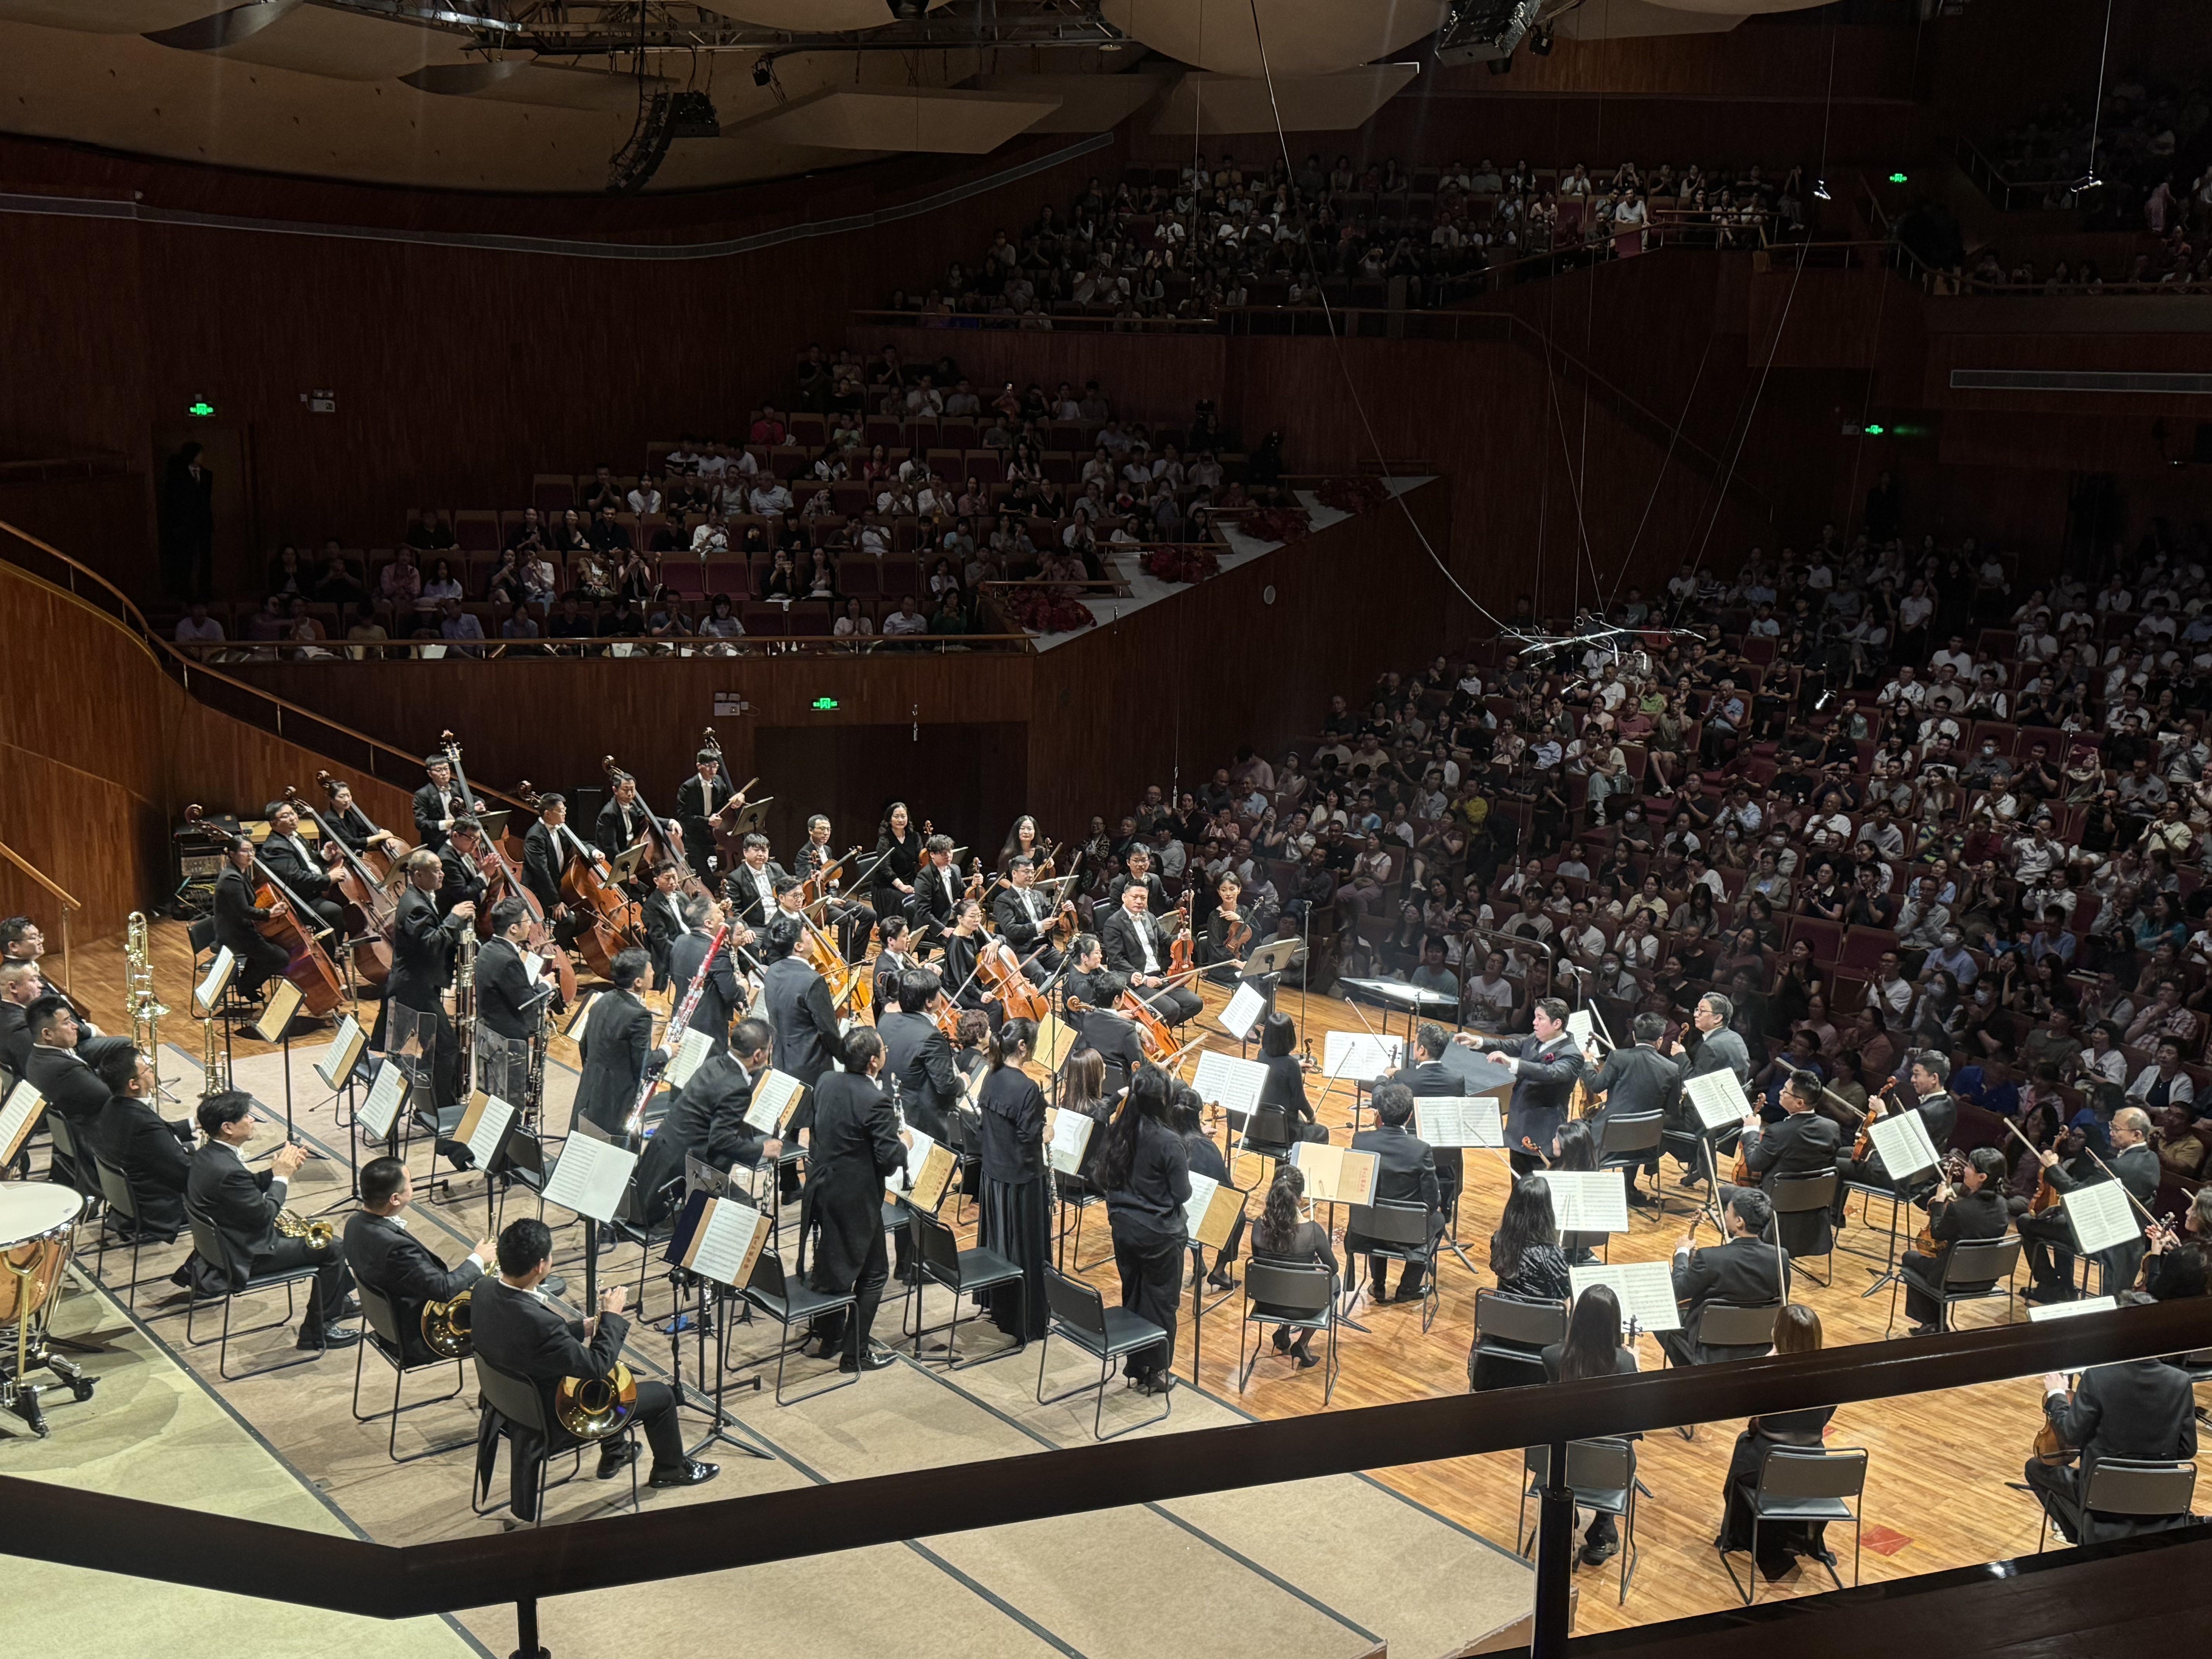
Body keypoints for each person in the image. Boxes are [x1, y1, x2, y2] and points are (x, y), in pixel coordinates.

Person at [471, 1217, 716, 1521]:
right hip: (551, 1418)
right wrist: (611, 1318)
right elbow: (598, 1367)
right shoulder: (543, 1324)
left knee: (606, 1385)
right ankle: (671, 1469)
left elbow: (525, 1335)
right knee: (661, 1396)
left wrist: (582, 1329)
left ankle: (616, 1451)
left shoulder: (482, 1289)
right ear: (540, 1267)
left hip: (507, 1406)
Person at [186, 1091, 359, 1350]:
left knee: (319, 1237)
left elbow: (244, 1187)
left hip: (225, 1243)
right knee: (332, 1246)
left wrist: (274, 1173)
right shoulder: (228, 1170)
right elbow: (266, 1214)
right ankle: (318, 1331)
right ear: (228, 1128)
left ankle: (335, 1299)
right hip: (246, 1255)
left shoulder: (208, 1155)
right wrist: (282, 1178)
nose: (252, 1120)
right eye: (246, 1116)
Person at [2025, 1307, 2198, 1544]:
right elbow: (2187, 1449)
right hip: (2158, 1497)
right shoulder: (2180, 1382)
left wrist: (2057, 1394)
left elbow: (2072, 1433)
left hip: (2102, 1494)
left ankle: (2082, 1537)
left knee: (2035, 1468)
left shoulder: (2098, 1376)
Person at [801, 1027, 906, 1373]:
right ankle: (855, 1354)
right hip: (855, 1198)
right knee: (875, 1274)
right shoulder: (875, 1100)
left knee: (834, 1262)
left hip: (823, 1187)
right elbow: (889, 1160)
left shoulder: (827, 1081)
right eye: (884, 1048)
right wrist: (904, 1144)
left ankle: (830, 1337)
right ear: (875, 1062)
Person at [1717, 1305, 1836, 1579]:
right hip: (1814, 1468)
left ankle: (1740, 1534)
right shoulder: (1833, 1373)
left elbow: (1752, 1413)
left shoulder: (1768, 1371)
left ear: (1778, 1335)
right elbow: (1824, 1417)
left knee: (1743, 1447)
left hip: (1769, 1464)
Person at [343, 1156, 495, 1366]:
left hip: (387, 1323)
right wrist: (478, 1260)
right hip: (417, 1337)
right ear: (395, 1199)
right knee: (503, 1323)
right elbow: (443, 1289)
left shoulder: (354, 1223)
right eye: (410, 1184)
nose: (412, 1188)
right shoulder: (397, 1248)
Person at [1096, 1064, 1191, 1395]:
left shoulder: (1120, 1128)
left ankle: (1136, 1365)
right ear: (1164, 1099)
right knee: (1162, 1302)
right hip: (1160, 1236)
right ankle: (1157, 1372)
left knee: (1134, 1294)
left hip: (1123, 1227)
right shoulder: (1170, 1141)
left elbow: (1104, 1176)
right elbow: (1182, 1194)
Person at [1540, 1283, 1639, 1566]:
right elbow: (1630, 1420)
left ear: (1577, 1318)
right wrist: (1637, 1367)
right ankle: (1602, 1533)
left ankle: (1564, 1524)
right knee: (1615, 1446)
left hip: (1560, 1460)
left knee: (1581, 1446)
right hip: (1608, 1466)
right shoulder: (1624, 1362)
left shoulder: (1551, 1356)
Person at [2023, 1104, 2159, 1301]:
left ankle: (2053, 1286)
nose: (2111, 1133)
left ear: (2137, 1135)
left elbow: (2078, 1193)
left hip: (2102, 1237)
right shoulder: (2152, 1159)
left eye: (2116, 1130)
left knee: (2026, 1222)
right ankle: (2063, 1287)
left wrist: (2053, 1168)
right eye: (2112, 1126)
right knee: (2063, 1218)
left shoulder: (2118, 1167)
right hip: (2130, 1239)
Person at [975, 1017, 1051, 1341]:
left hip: (994, 1179)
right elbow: (1028, 1139)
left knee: (1002, 1245)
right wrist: (1046, 1134)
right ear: (1023, 1047)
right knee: (1024, 1249)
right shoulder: (1027, 1088)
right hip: (1022, 1186)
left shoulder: (991, 1077)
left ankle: (1001, 1307)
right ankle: (1026, 1318)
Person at [386, 847, 476, 1115]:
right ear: (418, 874)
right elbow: (429, 943)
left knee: (431, 1048)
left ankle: (427, 1106)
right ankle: (443, 1110)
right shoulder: (415, 905)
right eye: (436, 870)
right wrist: (454, 919)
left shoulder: (420, 896)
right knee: (447, 1048)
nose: (442, 874)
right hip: (415, 988)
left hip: (420, 984)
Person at [1658, 1189, 1787, 1367]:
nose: (1724, 1215)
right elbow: (1780, 1298)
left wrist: (1682, 1252)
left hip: (1711, 1345)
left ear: (1740, 1221)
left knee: (1660, 1319)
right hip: (1758, 1342)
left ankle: (1690, 1372)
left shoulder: (1710, 1258)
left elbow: (1677, 1291)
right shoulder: (1781, 1257)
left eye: (1728, 1211)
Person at [1829, 1049, 1957, 1226]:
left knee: (1836, 1163)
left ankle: (1833, 1216)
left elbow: (1893, 1142)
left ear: (1934, 1078)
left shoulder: (1928, 1112)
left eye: (1917, 1075)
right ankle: (1835, 1213)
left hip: (1900, 1176)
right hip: (1917, 1172)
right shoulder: (1948, 1104)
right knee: (1844, 1152)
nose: (1912, 1080)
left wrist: (1882, 1113)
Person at [1345, 1081, 1443, 1306]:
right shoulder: (1420, 1149)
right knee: (1438, 1219)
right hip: (1406, 1232)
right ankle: (1407, 1288)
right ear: (1409, 1116)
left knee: (1374, 1210)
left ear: (1379, 1113)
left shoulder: (1361, 1140)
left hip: (1366, 1228)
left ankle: (1378, 1284)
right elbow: (1431, 1201)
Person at [1460, 995, 1583, 1173]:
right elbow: (1512, 1045)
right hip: (1518, 1127)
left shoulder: (1571, 1054)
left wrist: (1513, 1063)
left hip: (1542, 1133)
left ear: (1557, 1024)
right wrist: (1479, 1042)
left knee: (1538, 1190)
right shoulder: (1535, 1039)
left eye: (1540, 1019)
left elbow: (1552, 1073)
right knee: (1518, 1185)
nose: (1534, 1023)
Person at [1470, 1176, 1570, 1390]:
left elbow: (1500, 1269)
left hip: (1502, 1330)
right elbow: (1565, 1295)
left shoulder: (1499, 1241)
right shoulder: (1554, 1255)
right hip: (1542, 1336)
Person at [1899, 1146, 2011, 1334]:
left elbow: (1937, 1233)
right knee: (1937, 1262)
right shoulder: (2002, 1206)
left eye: (1970, 1166)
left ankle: (1932, 1324)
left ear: (1982, 1177)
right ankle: (1935, 1325)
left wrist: (1940, 1203)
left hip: (1954, 1277)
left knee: (1910, 1258)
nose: (1965, 1170)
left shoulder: (1959, 1210)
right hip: (1986, 1277)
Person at [88, 1046, 192, 1236]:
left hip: (131, 1193)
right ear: (133, 1084)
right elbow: (183, 1170)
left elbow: (159, 1134)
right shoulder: (143, 1124)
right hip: (156, 1207)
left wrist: (194, 1124)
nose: (152, 1070)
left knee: (192, 1149)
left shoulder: (113, 1105)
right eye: (147, 1069)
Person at [1580, 1012, 1678, 1204]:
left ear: (1634, 1035)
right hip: (1645, 1144)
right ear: (1660, 1040)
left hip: (1609, 1139)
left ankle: (1585, 1188)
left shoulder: (1618, 1057)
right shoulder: (1672, 1069)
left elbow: (1596, 1085)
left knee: (1576, 1130)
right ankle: (1629, 1190)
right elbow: (1672, 1110)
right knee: (1637, 1123)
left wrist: (1588, 1064)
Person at [1247, 1163, 1336, 1369]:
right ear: (1300, 1197)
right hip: (1304, 1308)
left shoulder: (1259, 1226)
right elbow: (1333, 1268)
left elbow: (1261, 1266)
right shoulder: (1313, 1231)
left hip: (1267, 1303)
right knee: (1332, 1281)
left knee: (1287, 1280)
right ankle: (1302, 1344)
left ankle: (1284, 1333)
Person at [572, 949, 661, 1138]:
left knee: (585, 1139)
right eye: (650, 970)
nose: (654, 973)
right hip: (618, 1096)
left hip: (590, 1084)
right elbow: (643, 1062)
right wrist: (668, 1051)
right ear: (638, 982)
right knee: (615, 1147)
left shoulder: (603, 999)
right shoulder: (640, 1016)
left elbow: (584, 1044)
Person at [20, 993, 134, 1137]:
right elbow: (109, 1096)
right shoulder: (63, 1069)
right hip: (96, 1138)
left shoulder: (36, 1057)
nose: (75, 1026)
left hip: (77, 1131)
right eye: (67, 1022)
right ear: (47, 1034)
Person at [1389, 1022, 1469, 1228]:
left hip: (1413, 1151)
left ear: (1421, 1050)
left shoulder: (1404, 1077)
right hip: (1444, 1151)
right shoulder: (1456, 1079)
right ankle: (1447, 1204)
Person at [1727, 1072, 1842, 1208]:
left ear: (1800, 1103)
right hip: (1813, 1202)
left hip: (1777, 1200)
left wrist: (1751, 1130)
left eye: (1786, 1091)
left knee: (1724, 1193)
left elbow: (1754, 1164)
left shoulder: (1779, 1132)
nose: (1781, 1092)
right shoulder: (1832, 1128)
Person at [1100, 883, 1202, 1027]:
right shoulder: (1113, 923)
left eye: (1143, 898)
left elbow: (1166, 939)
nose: (1139, 901)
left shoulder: (1149, 917)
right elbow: (1117, 961)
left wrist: (1181, 937)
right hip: (1136, 981)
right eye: (1135, 897)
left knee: (1195, 1003)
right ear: (1124, 898)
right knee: (1171, 1009)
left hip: (1159, 976)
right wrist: (1145, 979)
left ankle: (1159, 1030)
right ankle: (1160, 1035)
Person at [880, 968, 963, 1140]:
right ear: (929, 1002)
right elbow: (946, 1087)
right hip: (923, 1121)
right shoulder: (931, 1037)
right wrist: (963, 1082)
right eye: (938, 993)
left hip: (892, 1109)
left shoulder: (886, 1020)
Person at [212, 833, 295, 1001]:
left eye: (252, 850)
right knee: (281, 958)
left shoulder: (239, 873)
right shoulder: (231, 878)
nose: (250, 854)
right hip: (235, 936)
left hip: (242, 930)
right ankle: (246, 985)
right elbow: (244, 910)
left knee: (274, 950)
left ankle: (247, 983)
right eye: (245, 851)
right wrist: (270, 914)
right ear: (232, 854)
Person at [1254, 1010, 1329, 1145]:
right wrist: (1311, 1116)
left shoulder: (1261, 1055)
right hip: (1283, 1132)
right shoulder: (1291, 1066)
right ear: (1289, 1037)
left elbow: (1276, 1069)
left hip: (1259, 1127)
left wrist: (1297, 1066)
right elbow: (1299, 1099)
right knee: (1322, 1132)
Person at [991, 854, 1067, 977]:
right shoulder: (1003, 900)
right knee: (1039, 974)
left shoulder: (1037, 895)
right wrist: (1039, 927)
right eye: (1026, 872)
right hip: (1022, 951)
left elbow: (1051, 913)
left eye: (1032, 872)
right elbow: (1011, 931)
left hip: (1045, 948)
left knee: (1071, 964)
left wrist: (1063, 910)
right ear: (1014, 874)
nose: (1031, 875)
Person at [671, 749, 739, 881]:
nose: (713, 770)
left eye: (716, 766)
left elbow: (728, 801)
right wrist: (707, 821)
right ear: (699, 766)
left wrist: (738, 797)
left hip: (718, 837)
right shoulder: (688, 788)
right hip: (695, 840)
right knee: (706, 877)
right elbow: (684, 817)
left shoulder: (719, 782)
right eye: (709, 766)